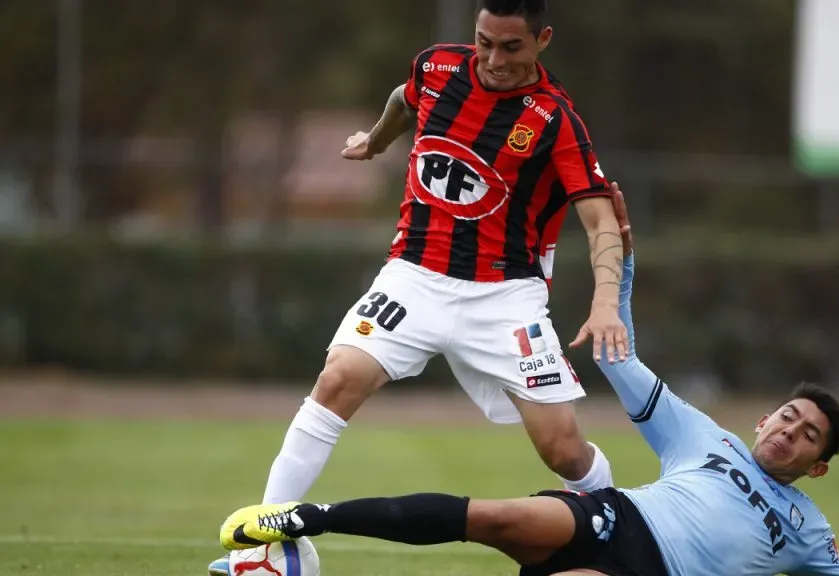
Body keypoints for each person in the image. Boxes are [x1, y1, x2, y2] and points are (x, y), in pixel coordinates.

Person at [219, 189, 839, 576]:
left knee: (555, 465)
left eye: (807, 437)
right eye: (787, 418)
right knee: (495, 519)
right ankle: (308, 519)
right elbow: (618, 361)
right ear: (763, 420)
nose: (789, 434)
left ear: (818, 466)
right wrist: (621, 273)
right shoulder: (705, 440)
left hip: (646, 572)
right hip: (617, 518)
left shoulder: (809, 532)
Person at [208, 1, 628, 573]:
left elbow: (601, 219)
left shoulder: (554, 119)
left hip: (505, 296)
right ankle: (269, 550)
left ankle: (622, 534)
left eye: (511, 47)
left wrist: (606, 305)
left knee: (562, 449)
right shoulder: (437, 67)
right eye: (484, 42)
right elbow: (404, 100)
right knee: (337, 379)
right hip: (414, 276)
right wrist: (376, 142)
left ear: (543, 40)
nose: (493, 59)